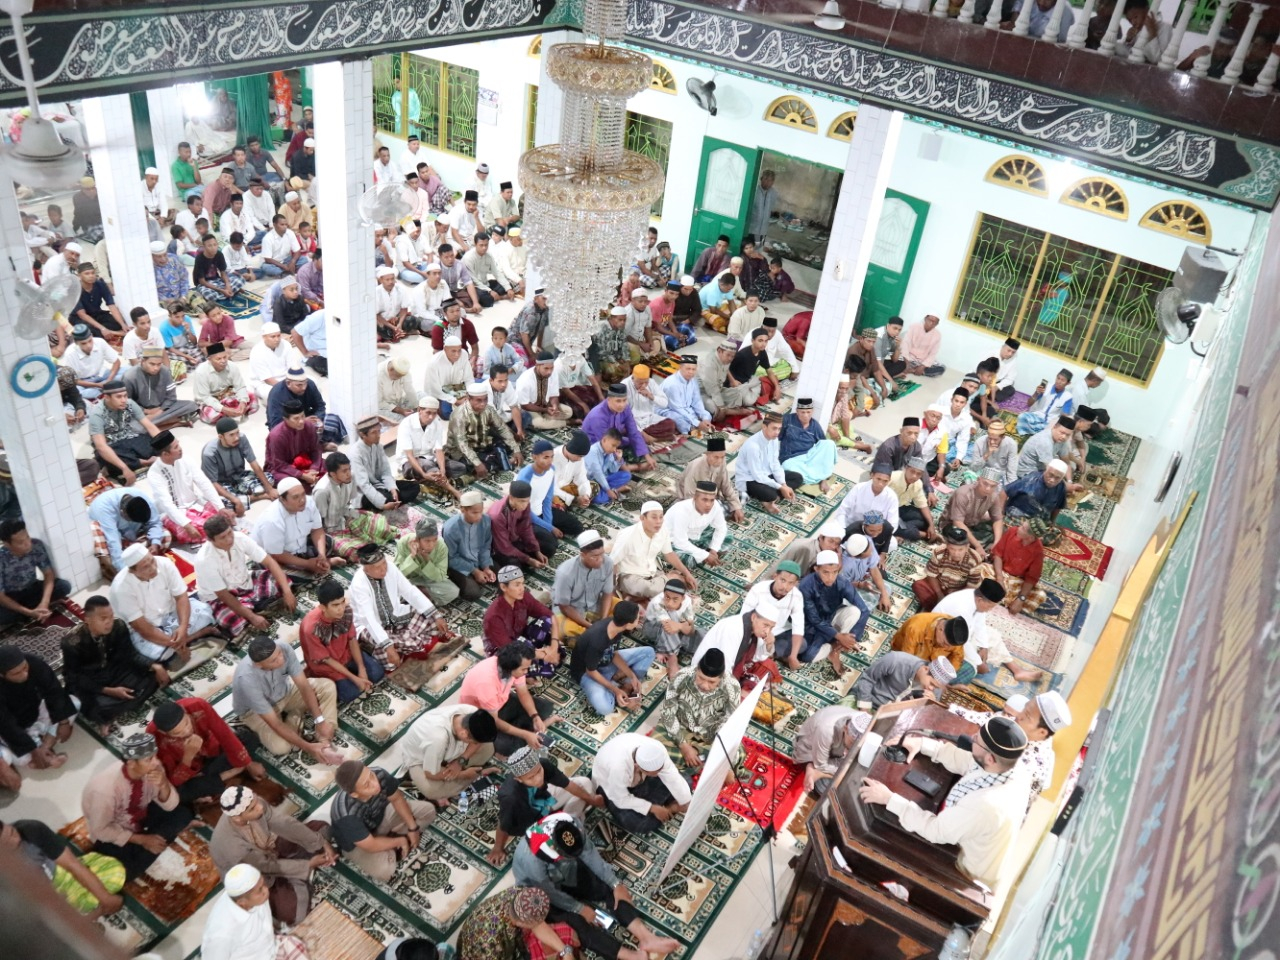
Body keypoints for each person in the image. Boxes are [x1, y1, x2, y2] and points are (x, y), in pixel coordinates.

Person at [858, 716, 1031, 890]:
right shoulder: (1012, 767)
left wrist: (889, 799)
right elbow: (966, 761)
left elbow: (935, 831)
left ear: (990, 759)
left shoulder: (986, 805)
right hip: (968, 838)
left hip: (966, 874)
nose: (972, 739)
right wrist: (921, 744)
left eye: (977, 740)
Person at [513, 814, 678, 960]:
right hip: (539, 895)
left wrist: (615, 883)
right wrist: (578, 908)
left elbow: (589, 854)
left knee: (609, 888)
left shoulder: (571, 825)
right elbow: (549, 892)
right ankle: (629, 956)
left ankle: (646, 937)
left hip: (567, 871)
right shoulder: (531, 859)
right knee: (577, 924)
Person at [210, 786, 335, 927]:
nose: (260, 807)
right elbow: (266, 866)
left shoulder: (254, 803)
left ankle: (296, 875)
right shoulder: (232, 846)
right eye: (252, 808)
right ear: (237, 818)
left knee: (321, 829)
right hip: (258, 877)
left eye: (256, 800)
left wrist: (321, 842)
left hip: (270, 851)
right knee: (293, 915)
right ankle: (295, 876)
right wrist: (308, 865)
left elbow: (285, 824)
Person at [82, 732, 193, 878]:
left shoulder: (154, 768)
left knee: (184, 813)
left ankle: (152, 840)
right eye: (149, 759)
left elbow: (170, 806)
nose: (156, 762)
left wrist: (164, 784)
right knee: (126, 872)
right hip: (115, 829)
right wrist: (143, 840)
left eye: (155, 756)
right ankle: (155, 839)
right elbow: (101, 830)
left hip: (140, 814)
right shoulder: (104, 791)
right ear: (131, 763)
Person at [110, 544, 219, 670]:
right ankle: (192, 637)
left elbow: (181, 597)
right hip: (148, 628)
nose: (153, 568)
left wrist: (183, 628)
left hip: (172, 614)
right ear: (132, 571)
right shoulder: (121, 589)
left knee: (205, 611)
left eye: (152, 561)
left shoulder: (165, 563)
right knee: (156, 653)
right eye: (146, 567)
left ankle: (183, 641)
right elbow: (142, 628)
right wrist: (175, 644)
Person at [488, 747, 600, 867]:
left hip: (545, 799)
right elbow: (504, 823)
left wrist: (593, 800)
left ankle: (567, 824)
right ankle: (564, 827)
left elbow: (568, 785)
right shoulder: (510, 797)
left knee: (585, 783)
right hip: (531, 822)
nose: (538, 779)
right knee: (547, 853)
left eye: (538, 771)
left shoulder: (543, 764)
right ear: (518, 779)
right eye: (531, 777)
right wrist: (497, 848)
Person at [233, 635, 340, 761]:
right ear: (258, 665)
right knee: (281, 747)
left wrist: (320, 721)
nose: (281, 659)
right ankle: (295, 715)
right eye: (274, 660)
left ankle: (324, 739)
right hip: (255, 713)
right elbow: (274, 723)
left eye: (279, 653)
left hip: (285, 693)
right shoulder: (246, 679)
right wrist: (308, 747)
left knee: (327, 687)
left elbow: (304, 686)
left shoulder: (283, 647)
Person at [61, 595, 163, 726]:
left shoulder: (118, 626)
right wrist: (108, 690)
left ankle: (120, 706)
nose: (109, 622)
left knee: (153, 677)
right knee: (95, 707)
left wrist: (154, 666)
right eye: (103, 618)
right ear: (88, 619)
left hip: (115, 672)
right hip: (92, 680)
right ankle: (114, 709)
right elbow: (74, 677)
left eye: (111, 616)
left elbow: (129, 654)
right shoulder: (72, 642)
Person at [0, 814, 126, 920]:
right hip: (44, 897)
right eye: (7, 842)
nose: (15, 839)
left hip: (62, 872)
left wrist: (106, 898)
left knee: (116, 872)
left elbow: (72, 864)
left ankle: (86, 915)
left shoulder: (31, 829)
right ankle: (86, 919)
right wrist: (95, 914)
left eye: (12, 832)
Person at [147, 697, 265, 805]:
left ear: (185, 712)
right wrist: (188, 756)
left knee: (249, 738)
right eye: (178, 733)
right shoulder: (154, 738)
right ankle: (228, 774)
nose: (187, 732)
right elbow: (173, 780)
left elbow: (224, 734)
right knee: (177, 793)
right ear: (164, 733)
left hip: (212, 754)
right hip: (191, 772)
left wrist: (248, 763)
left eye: (187, 723)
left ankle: (219, 778)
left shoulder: (198, 705)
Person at [349, 543, 450, 669]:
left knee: (431, 619)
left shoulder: (390, 568)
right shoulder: (359, 584)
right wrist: (388, 647)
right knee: (389, 661)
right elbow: (369, 619)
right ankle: (404, 642)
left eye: (384, 563)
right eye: (377, 567)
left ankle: (406, 643)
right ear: (366, 569)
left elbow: (409, 591)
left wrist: (435, 615)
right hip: (371, 626)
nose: (383, 569)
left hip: (395, 615)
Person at [195, 513, 294, 639]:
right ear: (210, 540)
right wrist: (252, 617)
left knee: (283, 581)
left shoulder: (240, 538)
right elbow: (223, 594)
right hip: (220, 597)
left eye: (229, 533)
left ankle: (253, 605)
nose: (229, 539)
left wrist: (287, 592)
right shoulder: (204, 560)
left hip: (245, 581)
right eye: (222, 537)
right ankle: (255, 608)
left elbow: (269, 561)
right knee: (234, 621)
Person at [458, 642, 559, 757]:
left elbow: (523, 693)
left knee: (545, 707)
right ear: (511, 667)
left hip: (501, 702)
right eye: (524, 669)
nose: (526, 672)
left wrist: (535, 716)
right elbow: (494, 720)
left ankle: (522, 727)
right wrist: (526, 735)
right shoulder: (486, 682)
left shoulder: (512, 667)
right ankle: (523, 730)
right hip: (482, 716)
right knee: (510, 747)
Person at [299, 577, 385, 703]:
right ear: (323, 607)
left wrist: (361, 668)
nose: (341, 608)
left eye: (342, 602)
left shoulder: (346, 611)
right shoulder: (311, 628)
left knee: (377, 673)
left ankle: (353, 672)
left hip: (346, 655)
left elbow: (352, 640)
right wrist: (355, 679)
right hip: (327, 666)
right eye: (335, 605)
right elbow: (326, 659)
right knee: (352, 693)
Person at [202, 863, 312, 960]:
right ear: (242, 902)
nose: (266, 890)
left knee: (293, 945)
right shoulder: (221, 934)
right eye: (260, 890)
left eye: (263, 884)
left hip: (272, 949)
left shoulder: (254, 895)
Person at [657, 648, 740, 776]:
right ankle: (701, 764)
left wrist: (719, 748)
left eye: (711, 682)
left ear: (721, 677)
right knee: (654, 748)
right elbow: (668, 712)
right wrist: (683, 745)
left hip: (709, 736)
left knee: (736, 752)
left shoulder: (732, 686)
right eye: (701, 678)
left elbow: (729, 722)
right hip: (680, 728)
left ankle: (694, 761)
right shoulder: (682, 676)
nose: (705, 685)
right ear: (697, 670)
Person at [0, 646, 77, 774]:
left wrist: (64, 722)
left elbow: (53, 690)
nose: (25, 674)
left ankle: (44, 748)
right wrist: (32, 749)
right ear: (2, 675)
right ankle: (41, 751)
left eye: (25, 668)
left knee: (74, 703)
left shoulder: (32, 661)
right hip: (11, 725)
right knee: (19, 758)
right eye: (16, 673)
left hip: (33, 710)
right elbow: (6, 724)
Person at [400, 703, 499, 803]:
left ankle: (459, 780)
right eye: (474, 742)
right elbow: (430, 773)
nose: (475, 743)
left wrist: (460, 761)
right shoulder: (438, 738)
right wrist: (463, 775)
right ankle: (472, 776)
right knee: (431, 790)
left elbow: (478, 743)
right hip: (420, 759)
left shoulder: (471, 712)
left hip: (445, 752)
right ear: (464, 734)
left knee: (488, 748)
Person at [145, 430, 231, 544]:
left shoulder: (186, 459)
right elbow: (167, 504)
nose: (180, 448)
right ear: (165, 454)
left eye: (178, 444)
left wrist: (220, 507)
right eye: (176, 447)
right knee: (206, 530)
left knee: (224, 516)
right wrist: (186, 524)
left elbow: (204, 483)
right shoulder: (154, 474)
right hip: (175, 513)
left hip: (195, 503)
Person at [593, 733, 691, 834]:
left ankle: (662, 808)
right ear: (638, 766)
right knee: (639, 824)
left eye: (659, 770)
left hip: (640, 780)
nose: (658, 774)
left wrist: (685, 801)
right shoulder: (618, 769)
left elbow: (671, 775)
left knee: (686, 780)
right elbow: (620, 799)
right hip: (611, 788)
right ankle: (661, 807)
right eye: (654, 772)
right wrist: (651, 808)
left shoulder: (657, 749)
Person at [570, 601, 653, 716]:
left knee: (649, 653)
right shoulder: (597, 641)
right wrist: (616, 690)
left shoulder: (615, 626)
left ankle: (626, 686)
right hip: (587, 673)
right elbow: (591, 671)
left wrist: (631, 676)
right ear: (628, 624)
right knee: (605, 708)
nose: (639, 619)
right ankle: (618, 691)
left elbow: (612, 654)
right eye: (637, 618)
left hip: (605, 662)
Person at [794, 551, 867, 674]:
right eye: (826, 572)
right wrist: (839, 636)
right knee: (807, 656)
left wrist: (852, 638)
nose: (831, 577)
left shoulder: (842, 582)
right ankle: (834, 644)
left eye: (834, 572)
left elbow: (864, 609)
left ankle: (836, 649)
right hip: (811, 625)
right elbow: (815, 620)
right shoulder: (806, 586)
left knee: (855, 611)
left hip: (832, 615)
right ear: (816, 569)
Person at [611, 502, 698, 600]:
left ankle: (669, 581)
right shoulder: (627, 536)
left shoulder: (663, 531)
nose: (658, 521)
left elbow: (669, 553)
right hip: (629, 576)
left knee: (658, 589)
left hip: (652, 573)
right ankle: (671, 580)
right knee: (649, 589)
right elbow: (611, 563)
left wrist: (686, 573)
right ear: (642, 518)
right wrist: (612, 589)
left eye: (661, 517)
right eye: (654, 517)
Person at [482, 563, 560, 667]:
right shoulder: (493, 616)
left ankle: (539, 655)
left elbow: (551, 617)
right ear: (503, 587)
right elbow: (509, 649)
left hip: (520, 639)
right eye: (517, 585)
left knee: (547, 622)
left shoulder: (524, 597)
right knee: (526, 666)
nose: (522, 588)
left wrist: (554, 646)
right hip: (503, 650)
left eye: (523, 583)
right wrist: (544, 655)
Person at [0, 519, 71, 627]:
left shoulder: (36, 545)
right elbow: (1, 597)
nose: (28, 543)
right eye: (21, 542)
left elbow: (48, 574)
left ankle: (35, 609)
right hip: (11, 596)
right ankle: (28, 611)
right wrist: (29, 613)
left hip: (32, 588)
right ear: (7, 544)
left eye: (27, 537)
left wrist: (44, 603)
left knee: (64, 586)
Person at [89, 377, 160, 481]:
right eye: (118, 397)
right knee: (103, 455)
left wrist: (168, 443)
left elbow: (149, 426)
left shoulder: (129, 403)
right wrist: (125, 468)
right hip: (111, 444)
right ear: (107, 397)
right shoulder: (97, 414)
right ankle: (143, 462)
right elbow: (101, 446)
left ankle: (134, 463)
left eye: (125, 396)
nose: (123, 400)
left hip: (129, 437)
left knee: (158, 442)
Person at [87, 487, 168, 579]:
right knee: (108, 555)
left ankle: (139, 562)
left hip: (133, 535)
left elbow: (155, 523)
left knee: (165, 535)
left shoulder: (142, 499)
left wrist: (155, 543)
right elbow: (114, 546)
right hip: (112, 538)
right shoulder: (104, 511)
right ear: (123, 513)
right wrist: (128, 576)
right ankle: (115, 572)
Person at [551, 530, 617, 640]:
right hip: (571, 609)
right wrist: (590, 626)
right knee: (564, 629)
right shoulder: (566, 572)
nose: (600, 559)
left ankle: (592, 634)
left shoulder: (608, 562)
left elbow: (607, 594)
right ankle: (590, 635)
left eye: (602, 554)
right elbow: (564, 607)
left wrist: (603, 621)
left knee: (623, 608)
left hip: (595, 604)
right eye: (595, 556)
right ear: (583, 555)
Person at [203, 417, 277, 514]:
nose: (236, 437)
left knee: (269, 478)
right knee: (224, 503)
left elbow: (254, 463)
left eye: (237, 432)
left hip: (240, 476)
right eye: (231, 435)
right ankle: (259, 496)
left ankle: (243, 497)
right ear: (221, 437)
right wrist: (235, 500)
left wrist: (270, 489)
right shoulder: (209, 453)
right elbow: (213, 483)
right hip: (222, 483)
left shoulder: (242, 438)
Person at [448, 381, 523, 477]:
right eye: (479, 400)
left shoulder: (488, 409)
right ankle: (497, 460)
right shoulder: (459, 416)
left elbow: (502, 428)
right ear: (468, 398)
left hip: (481, 444)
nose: (483, 404)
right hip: (462, 451)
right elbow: (462, 444)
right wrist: (477, 463)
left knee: (511, 443)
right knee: (478, 465)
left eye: (485, 399)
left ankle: (496, 459)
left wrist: (516, 450)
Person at [690, 603, 780, 683]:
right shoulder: (733, 628)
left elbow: (758, 657)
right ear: (754, 617)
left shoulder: (756, 629)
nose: (767, 631)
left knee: (768, 665)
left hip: (737, 666)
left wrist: (769, 644)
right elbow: (726, 665)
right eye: (765, 625)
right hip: (709, 673)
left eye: (771, 628)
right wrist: (733, 687)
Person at [516, 438, 584, 542]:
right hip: (525, 516)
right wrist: (550, 528)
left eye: (552, 457)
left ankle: (543, 530)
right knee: (549, 546)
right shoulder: (525, 477)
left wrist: (548, 525)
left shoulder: (551, 470)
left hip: (541, 512)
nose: (550, 461)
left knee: (577, 527)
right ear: (534, 457)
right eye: (546, 457)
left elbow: (547, 501)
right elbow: (524, 511)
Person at [794, 706, 870, 795]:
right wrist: (848, 770)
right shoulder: (827, 731)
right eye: (852, 743)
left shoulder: (863, 720)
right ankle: (812, 768)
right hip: (809, 749)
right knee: (831, 788)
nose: (855, 747)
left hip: (832, 747)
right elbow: (821, 765)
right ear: (845, 729)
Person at [581, 385, 657, 472]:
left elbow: (633, 432)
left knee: (640, 444)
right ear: (609, 399)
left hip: (614, 440)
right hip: (595, 444)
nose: (622, 405)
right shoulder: (598, 416)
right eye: (618, 401)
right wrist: (628, 469)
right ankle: (631, 467)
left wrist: (647, 456)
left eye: (624, 400)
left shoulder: (625, 408)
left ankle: (627, 463)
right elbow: (606, 445)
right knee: (601, 465)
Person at [735, 412, 798, 514]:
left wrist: (784, 484)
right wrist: (780, 487)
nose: (777, 432)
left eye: (779, 429)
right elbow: (757, 475)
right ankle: (770, 498)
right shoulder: (753, 446)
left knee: (797, 478)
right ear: (764, 426)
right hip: (750, 479)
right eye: (774, 428)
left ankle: (773, 495)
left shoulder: (774, 439)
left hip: (766, 474)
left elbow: (775, 463)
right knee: (771, 495)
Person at [266, 366, 346, 447]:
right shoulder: (276, 394)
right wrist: (302, 422)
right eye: (299, 385)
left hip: (307, 418)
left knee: (333, 420)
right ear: (288, 383)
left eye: (305, 384)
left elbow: (320, 406)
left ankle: (315, 444)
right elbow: (275, 425)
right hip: (289, 426)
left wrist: (318, 419)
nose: (304, 388)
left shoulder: (310, 384)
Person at [124, 346, 200, 428]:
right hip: (140, 411)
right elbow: (126, 402)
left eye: (159, 364)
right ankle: (176, 422)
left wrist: (159, 411)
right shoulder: (130, 376)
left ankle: (150, 424)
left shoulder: (165, 371)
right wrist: (146, 411)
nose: (156, 368)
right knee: (131, 424)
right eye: (152, 364)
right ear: (143, 361)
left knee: (191, 405)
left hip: (162, 408)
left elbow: (171, 397)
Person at [913, 525, 986, 610]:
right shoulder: (938, 552)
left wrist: (952, 596)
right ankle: (940, 610)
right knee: (918, 586)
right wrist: (939, 595)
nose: (956, 553)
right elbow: (931, 575)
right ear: (947, 545)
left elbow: (972, 585)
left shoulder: (975, 559)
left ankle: (939, 609)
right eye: (952, 549)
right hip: (940, 586)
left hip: (958, 591)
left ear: (967, 547)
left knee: (973, 601)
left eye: (960, 550)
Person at [852, 652, 955, 710]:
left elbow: (921, 717)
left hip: (891, 718)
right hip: (865, 700)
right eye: (931, 684)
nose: (931, 688)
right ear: (925, 669)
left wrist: (929, 705)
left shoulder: (935, 691)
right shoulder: (896, 660)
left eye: (935, 687)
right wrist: (864, 709)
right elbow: (868, 678)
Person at [443, 490, 496, 601]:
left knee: (503, 576)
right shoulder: (451, 529)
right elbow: (451, 558)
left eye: (481, 512)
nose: (479, 516)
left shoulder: (485, 520)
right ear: (463, 509)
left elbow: (485, 547)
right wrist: (474, 571)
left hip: (479, 560)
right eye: (474, 513)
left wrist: (486, 566)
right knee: (473, 593)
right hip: (459, 565)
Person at [490, 480, 556, 570]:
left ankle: (524, 559)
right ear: (511, 497)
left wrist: (536, 550)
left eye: (527, 501)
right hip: (500, 547)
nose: (524, 505)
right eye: (522, 501)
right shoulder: (497, 515)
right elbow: (504, 546)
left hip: (516, 539)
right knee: (515, 568)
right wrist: (528, 559)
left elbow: (526, 528)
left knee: (549, 548)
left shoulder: (525, 504)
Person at [643, 578, 702, 678]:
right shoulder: (657, 603)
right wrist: (681, 626)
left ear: (682, 598)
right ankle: (672, 659)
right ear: (663, 594)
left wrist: (681, 626)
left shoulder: (687, 601)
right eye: (667, 597)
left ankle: (666, 649)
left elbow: (690, 629)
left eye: (675, 599)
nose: (670, 603)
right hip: (653, 628)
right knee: (671, 621)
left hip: (675, 627)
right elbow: (669, 626)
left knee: (700, 635)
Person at [991, 517, 1050, 614]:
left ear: (1030, 537)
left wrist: (1021, 598)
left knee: (1040, 596)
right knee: (980, 570)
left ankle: (1003, 598)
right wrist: (1000, 579)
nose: (1018, 528)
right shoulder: (1012, 531)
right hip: (999, 573)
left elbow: (1031, 578)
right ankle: (1005, 599)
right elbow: (997, 555)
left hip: (1016, 581)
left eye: (1022, 528)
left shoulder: (1038, 551)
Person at [678, 435, 744, 522]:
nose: (720, 461)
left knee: (742, 496)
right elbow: (689, 496)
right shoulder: (696, 467)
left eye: (722, 457)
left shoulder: (721, 463)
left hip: (713, 497)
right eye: (716, 457)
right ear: (708, 454)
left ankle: (722, 511)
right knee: (719, 511)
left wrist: (737, 507)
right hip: (693, 501)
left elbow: (726, 487)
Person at [395, 518, 459, 607]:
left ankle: (420, 597)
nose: (431, 545)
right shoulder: (404, 542)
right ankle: (422, 599)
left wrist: (427, 559)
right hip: (410, 580)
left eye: (435, 539)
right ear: (418, 539)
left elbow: (440, 576)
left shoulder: (441, 546)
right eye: (427, 541)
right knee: (392, 588)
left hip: (429, 581)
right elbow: (397, 574)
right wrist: (412, 556)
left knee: (453, 592)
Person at [265, 400, 326, 492]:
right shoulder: (277, 435)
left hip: (304, 462)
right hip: (283, 469)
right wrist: (302, 475)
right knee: (292, 484)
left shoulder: (309, 426)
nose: (301, 421)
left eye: (303, 416)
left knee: (330, 466)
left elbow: (315, 450)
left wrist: (314, 469)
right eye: (296, 418)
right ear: (285, 419)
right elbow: (278, 464)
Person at [665, 483, 728, 568]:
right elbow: (680, 542)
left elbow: (721, 528)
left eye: (711, 500)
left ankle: (703, 552)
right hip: (673, 541)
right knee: (687, 560)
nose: (708, 504)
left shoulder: (715, 506)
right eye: (704, 500)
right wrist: (705, 555)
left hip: (696, 536)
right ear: (695, 498)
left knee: (728, 537)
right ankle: (702, 553)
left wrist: (714, 549)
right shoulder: (682, 511)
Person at [780, 398, 838, 491]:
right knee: (787, 466)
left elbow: (822, 446)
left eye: (808, 412)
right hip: (791, 458)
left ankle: (822, 478)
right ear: (797, 411)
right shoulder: (787, 420)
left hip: (808, 457)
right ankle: (817, 475)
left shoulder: (815, 425)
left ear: (812, 411)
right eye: (802, 412)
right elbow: (775, 436)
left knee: (829, 444)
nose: (806, 415)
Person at [192, 342, 258, 424]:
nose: (223, 361)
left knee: (252, 397)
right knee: (211, 415)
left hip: (229, 395)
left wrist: (243, 402)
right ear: (209, 360)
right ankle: (230, 412)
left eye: (225, 357)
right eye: (218, 359)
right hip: (211, 399)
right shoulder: (201, 372)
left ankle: (232, 412)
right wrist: (223, 409)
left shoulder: (232, 366)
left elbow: (240, 387)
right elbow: (204, 397)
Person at [891, 609, 969, 674]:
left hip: (933, 663)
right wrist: (921, 675)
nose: (946, 647)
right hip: (908, 655)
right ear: (940, 629)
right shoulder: (916, 628)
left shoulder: (956, 632)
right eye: (945, 643)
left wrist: (946, 674)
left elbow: (957, 657)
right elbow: (906, 660)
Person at [1004, 460, 1069, 521]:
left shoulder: (1061, 487)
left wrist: (1052, 522)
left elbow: (1058, 507)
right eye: (1051, 475)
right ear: (1045, 471)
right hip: (1018, 515)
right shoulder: (1030, 480)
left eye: (1057, 478)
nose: (1052, 480)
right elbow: (1004, 491)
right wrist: (1001, 514)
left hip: (1040, 520)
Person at [1016, 369, 1075, 436]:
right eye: (1058, 378)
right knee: (1022, 416)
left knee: (1054, 430)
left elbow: (1065, 416)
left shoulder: (1068, 397)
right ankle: (1038, 433)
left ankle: (1033, 432)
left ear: (1068, 383)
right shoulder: (1046, 387)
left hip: (1050, 422)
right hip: (1036, 416)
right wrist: (1036, 393)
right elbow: (1029, 404)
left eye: (1062, 380)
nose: (1059, 381)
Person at [583, 429, 633, 506]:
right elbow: (597, 473)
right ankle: (616, 490)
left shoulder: (609, 452)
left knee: (626, 475)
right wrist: (608, 490)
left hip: (604, 478)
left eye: (616, 447)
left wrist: (618, 459)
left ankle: (610, 491)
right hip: (590, 481)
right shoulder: (593, 451)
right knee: (599, 499)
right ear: (604, 440)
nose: (614, 449)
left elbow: (613, 470)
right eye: (613, 445)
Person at [967, 419, 1019, 483]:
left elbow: (1011, 471)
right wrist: (987, 454)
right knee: (969, 477)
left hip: (1001, 476)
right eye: (990, 438)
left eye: (995, 439)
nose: (992, 442)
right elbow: (973, 468)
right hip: (983, 473)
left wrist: (1011, 486)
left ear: (1003, 437)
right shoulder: (979, 442)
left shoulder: (1011, 444)